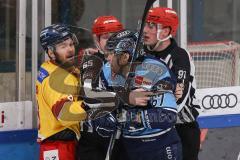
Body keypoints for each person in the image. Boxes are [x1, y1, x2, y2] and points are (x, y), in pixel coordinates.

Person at [106, 29, 182, 160]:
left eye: (112, 54)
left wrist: (130, 117)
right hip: (129, 148)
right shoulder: (109, 70)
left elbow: (167, 116)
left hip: (159, 148)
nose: (107, 58)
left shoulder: (153, 71)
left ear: (125, 57)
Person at [143, 7, 201, 160]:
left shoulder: (179, 56)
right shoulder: (142, 53)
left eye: (152, 26)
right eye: (145, 24)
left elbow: (178, 99)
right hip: (152, 130)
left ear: (166, 31)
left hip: (182, 130)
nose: (145, 30)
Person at [77, 15, 125, 160]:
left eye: (114, 36)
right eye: (105, 37)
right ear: (97, 41)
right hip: (93, 138)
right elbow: (90, 95)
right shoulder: (91, 63)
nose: (111, 41)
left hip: (120, 137)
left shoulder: (128, 62)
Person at [37, 24, 87, 160]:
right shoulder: (56, 79)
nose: (70, 49)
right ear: (51, 52)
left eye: (71, 44)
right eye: (63, 46)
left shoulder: (49, 67)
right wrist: (88, 104)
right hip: (58, 146)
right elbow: (64, 114)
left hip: (58, 145)